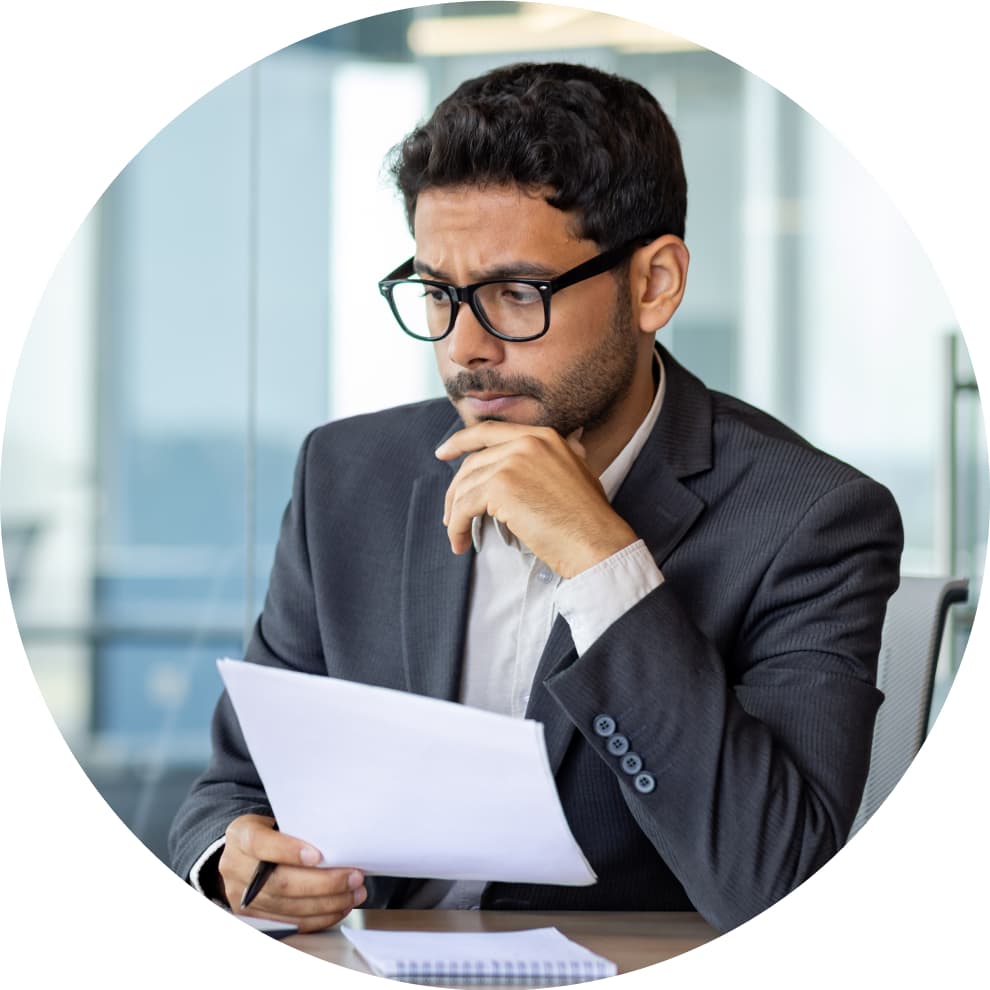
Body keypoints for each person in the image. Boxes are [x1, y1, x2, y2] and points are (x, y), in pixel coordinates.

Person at [169, 61, 903, 935]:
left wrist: (603, 561)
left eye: (517, 295)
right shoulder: (346, 474)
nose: (465, 348)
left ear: (654, 284)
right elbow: (236, 785)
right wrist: (234, 858)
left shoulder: (812, 519)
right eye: (439, 293)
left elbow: (779, 884)